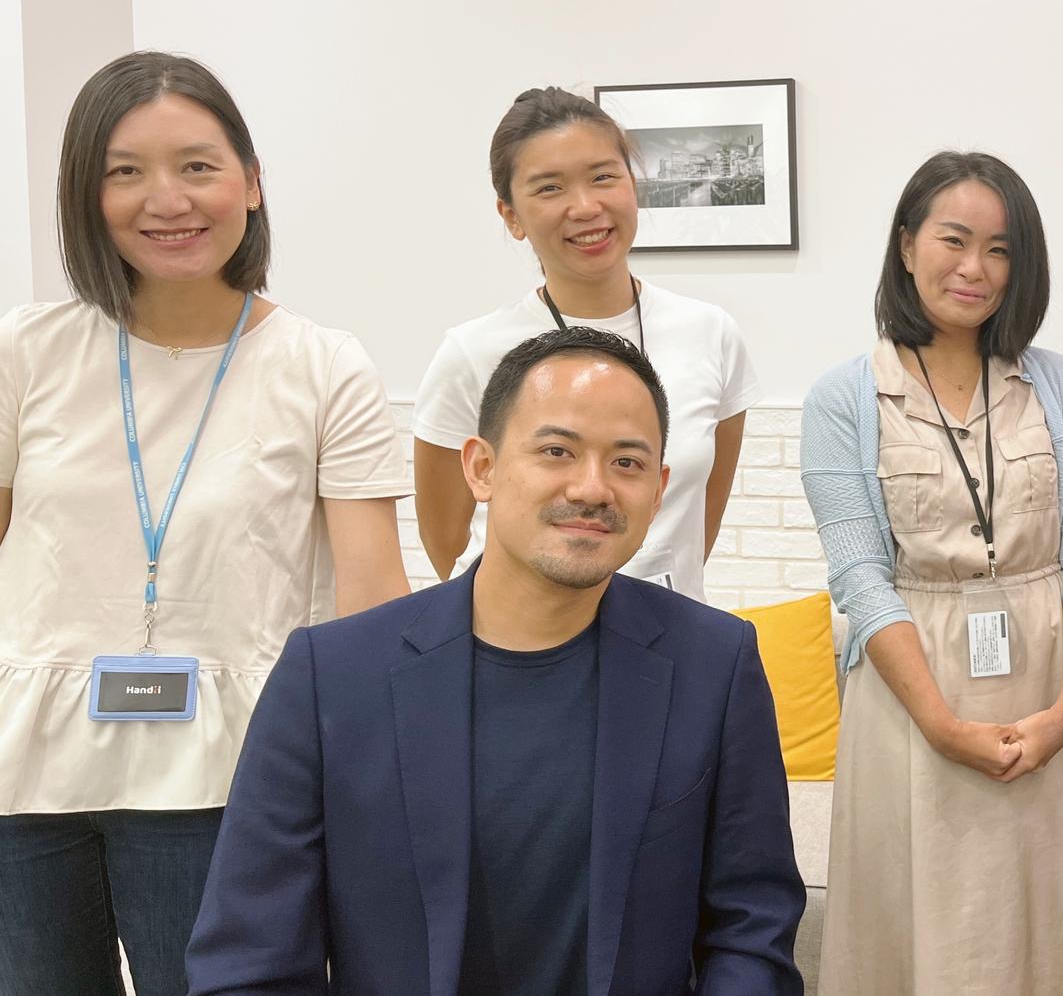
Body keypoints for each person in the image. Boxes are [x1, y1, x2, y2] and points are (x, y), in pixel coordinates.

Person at [185, 326, 804, 995]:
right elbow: (250, 958)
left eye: (627, 463)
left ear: (658, 491)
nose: (592, 488)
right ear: (481, 467)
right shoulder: (330, 674)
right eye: (557, 451)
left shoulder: (715, 663)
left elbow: (752, 925)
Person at [0, 52, 410, 995]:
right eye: (125, 171)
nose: (168, 200)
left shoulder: (323, 366)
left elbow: (373, 603)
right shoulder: (27, 350)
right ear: (86, 195)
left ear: (251, 182)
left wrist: (375, 782)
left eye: (197, 165)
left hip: (226, 781)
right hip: (24, 777)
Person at [800, 150, 1063, 994]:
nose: (975, 268)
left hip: (1053, 684)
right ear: (907, 244)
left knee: (1062, 930)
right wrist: (942, 724)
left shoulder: (1056, 383)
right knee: (934, 932)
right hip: (914, 697)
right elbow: (860, 577)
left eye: (1000, 249)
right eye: (955, 240)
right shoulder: (844, 397)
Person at [413, 86, 757, 600]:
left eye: (603, 177)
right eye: (549, 188)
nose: (585, 207)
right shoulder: (471, 352)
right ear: (511, 215)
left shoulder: (711, 333)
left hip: (665, 627)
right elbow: (446, 540)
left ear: (633, 185)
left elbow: (695, 523)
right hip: (520, 631)